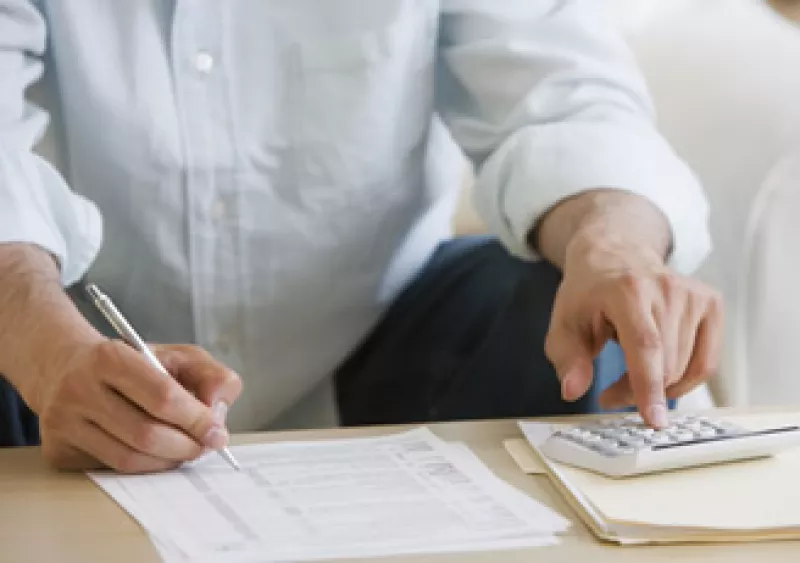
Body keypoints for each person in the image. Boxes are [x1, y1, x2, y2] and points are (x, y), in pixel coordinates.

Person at [0, 1, 722, 473]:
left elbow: (567, 96)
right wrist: (47, 348)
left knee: (553, 301)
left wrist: (613, 248)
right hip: (54, 346)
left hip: (382, 346)